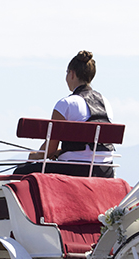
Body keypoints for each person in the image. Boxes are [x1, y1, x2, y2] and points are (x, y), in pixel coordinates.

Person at [14, 50, 116, 178]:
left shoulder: (66, 104)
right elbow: (90, 144)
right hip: (106, 170)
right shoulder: (106, 103)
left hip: (74, 169)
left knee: (21, 171)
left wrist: (34, 155)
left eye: (67, 73)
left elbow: (49, 150)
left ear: (72, 74)